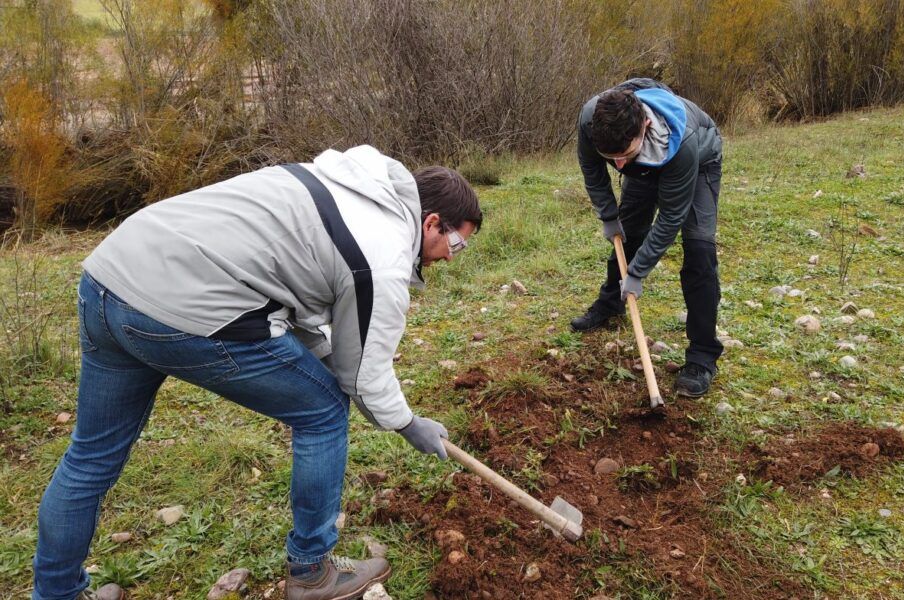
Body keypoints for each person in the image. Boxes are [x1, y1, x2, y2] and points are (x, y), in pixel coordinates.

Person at [31, 145, 483, 600]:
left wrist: (328, 358)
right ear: (430, 222)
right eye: (456, 244)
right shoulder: (384, 257)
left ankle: (56, 593)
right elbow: (365, 378)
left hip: (109, 278)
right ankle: (312, 572)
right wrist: (407, 424)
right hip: (185, 306)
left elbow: (290, 289)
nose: (450, 257)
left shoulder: (347, 186)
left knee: (91, 456)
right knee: (324, 411)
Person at [571, 78, 723, 398]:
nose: (619, 165)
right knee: (629, 234)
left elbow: (670, 218)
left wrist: (638, 272)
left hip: (697, 163)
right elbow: (592, 170)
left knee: (699, 250)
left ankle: (702, 357)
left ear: (646, 126)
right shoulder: (590, 120)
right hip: (646, 161)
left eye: (624, 154)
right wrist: (609, 216)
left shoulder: (683, 140)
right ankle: (611, 304)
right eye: (612, 157)